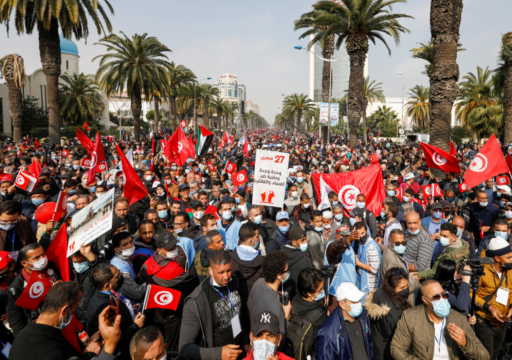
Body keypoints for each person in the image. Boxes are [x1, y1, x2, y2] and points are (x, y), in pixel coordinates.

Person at [9, 282, 122, 360]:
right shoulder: (51, 352)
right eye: (75, 308)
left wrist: (87, 345)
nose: (75, 313)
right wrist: (109, 345)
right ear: (64, 310)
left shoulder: (29, 333)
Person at [391, 279, 489, 360]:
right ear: (425, 300)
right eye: (436, 297)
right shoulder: (410, 317)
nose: (442, 299)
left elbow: (485, 356)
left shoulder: (459, 319)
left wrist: (466, 343)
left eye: (444, 295)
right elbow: (396, 348)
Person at [179, 250, 249, 360]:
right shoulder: (196, 301)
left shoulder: (234, 281)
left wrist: (244, 341)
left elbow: (236, 317)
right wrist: (219, 354)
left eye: (229, 271)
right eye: (221, 272)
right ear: (210, 271)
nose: (226, 277)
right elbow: (184, 348)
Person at [138, 232, 199, 352]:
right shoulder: (173, 269)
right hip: (171, 316)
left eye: (174, 246)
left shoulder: (148, 263)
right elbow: (193, 281)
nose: (174, 249)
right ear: (160, 250)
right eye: (170, 248)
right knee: (172, 350)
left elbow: (140, 280)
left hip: (154, 313)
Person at [88, 263, 145, 359]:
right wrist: (135, 326)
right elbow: (113, 340)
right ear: (107, 285)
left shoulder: (101, 295)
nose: (121, 277)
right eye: (117, 277)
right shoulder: (105, 309)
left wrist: (130, 309)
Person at [6, 242, 61, 336]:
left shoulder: (50, 267)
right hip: (42, 332)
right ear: (24, 263)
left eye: (43, 254)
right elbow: (17, 323)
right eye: (36, 258)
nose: (43, 259)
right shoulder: (15, 289)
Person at [474, 237, 512, 360]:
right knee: (486, 357)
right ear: (497, 258)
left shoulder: (509, 270)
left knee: (495, 355)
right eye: (508, 257)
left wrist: (511, 306)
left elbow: (511, 291)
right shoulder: (481, 270)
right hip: (484, 322)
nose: (511, 260)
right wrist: (488, 307)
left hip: (502, 322)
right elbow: (471, 295)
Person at [316, 282, 373, 360]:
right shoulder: (328, 332)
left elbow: (369, 346)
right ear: (342, 304)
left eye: (359, 300)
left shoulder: (364, 315)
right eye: (354, 301)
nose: (359, 304)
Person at [364, 268, 412, 360]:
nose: (406, 290)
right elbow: (398, 340)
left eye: (407, 286)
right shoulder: (395, 312)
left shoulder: (380, 292)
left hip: (376, 346)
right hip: (387, 354)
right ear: (392, 288)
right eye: (402, 288)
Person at [248, 251, 291, 348]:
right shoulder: (276, 307)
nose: (288, 272)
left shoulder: (258, 283)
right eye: (287, 270)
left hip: (254, 344)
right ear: (278, 275)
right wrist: (285, 316)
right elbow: (281, 340)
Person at [230, 222, 263, 334]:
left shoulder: (230, 258)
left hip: (234, 311)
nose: (259, 238)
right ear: (250, 241)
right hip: (255, 311)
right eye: (257, 236)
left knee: (237, 338)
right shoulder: (262, 262)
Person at [288, 268, 328, 360]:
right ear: (309, 293)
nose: (323, 291)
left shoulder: (294, 300)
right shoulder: (320, 318)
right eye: (320, 289)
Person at [281, 226, 313, 300]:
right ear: (294, 242)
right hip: (299, 300)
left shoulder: (281, 254)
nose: (306, 243)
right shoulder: (305, 261)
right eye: (302, 240)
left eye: (306, 240)